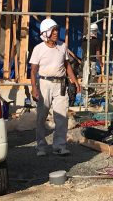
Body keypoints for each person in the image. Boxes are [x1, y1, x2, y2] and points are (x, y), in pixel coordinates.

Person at [30, 18, 81, 156]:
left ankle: (59, 146)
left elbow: (67, 65)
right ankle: (41, 146)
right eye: (53, 30)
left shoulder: (62, 46)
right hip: (44, 84)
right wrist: (34, 88)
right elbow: (33, 71)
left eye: (57, 30)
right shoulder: (38, 49)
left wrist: (75, 81)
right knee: (42, 116)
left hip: (60, 84)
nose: (56, 33)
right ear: (45, 33)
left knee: (62, 116)